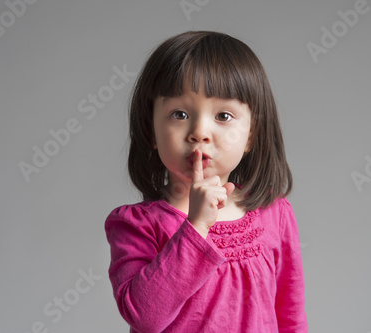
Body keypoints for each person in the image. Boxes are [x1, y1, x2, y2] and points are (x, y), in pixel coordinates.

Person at [105, 30, 308, 332]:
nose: (200, 132)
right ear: (151, 131)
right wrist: (196, 228)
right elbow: (145, 317)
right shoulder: (137, 225)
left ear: (251, 135)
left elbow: (290, 314)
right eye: (180, 114)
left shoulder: (274, 213)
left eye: (223, 116)